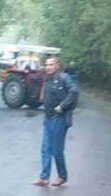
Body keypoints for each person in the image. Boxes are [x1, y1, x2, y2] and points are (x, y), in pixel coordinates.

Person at [32, 55, 79, 188]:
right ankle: (44, 178)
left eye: (51, 64)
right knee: (45, 149)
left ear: (57, 66)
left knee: (57, 150)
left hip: (59, 119)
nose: (48, 67)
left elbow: (74, 91)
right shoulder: (47, 79)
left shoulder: (64, 78)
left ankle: (62, 176)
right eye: (46, 65)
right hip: (48, 118)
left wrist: (62, 106)